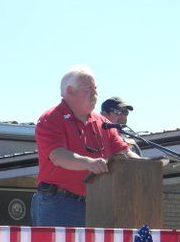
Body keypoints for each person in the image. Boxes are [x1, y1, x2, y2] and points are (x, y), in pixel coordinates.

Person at [31, 65, 139, 227]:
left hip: (97, 204)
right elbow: (58, 156)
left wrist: (146, 164)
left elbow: (124, 153)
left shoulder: (104, 124)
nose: (95, 94)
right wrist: (90, 163)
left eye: (95, 88)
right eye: (89, 89)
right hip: (59, 204)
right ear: (70, 91)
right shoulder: (51, 118)